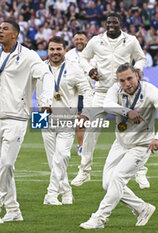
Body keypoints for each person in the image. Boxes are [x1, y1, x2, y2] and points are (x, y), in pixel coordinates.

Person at [0, 20, 54, 224]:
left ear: (15, 35)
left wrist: (45, 101)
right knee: (0, 167)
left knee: (7, 163)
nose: (0, 31)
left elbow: (45, 75)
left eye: (5, 29)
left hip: (17, 118)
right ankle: (13, 209)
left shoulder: (28, 56)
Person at [80, 63, 158, 229]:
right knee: (107, 184)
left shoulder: (150, 91)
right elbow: (107, 104)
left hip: (141, 145)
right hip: (121, 143)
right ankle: (142, 208)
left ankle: (99, 218)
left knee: (117, 179)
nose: (127, 84)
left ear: (137, 75)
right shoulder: (115, 89)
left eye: (130, 78)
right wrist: (127, 112)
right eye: (122, 81)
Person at [71, 13, 149, 189]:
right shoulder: (96, 40)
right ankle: (84, 171)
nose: (111, 25)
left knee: (133, 131)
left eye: (114, 22)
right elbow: (82, 57)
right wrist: (90, 69)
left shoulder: (130, 40)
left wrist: (137, 69)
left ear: (120, 23)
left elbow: (141, 57)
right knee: (92, 130)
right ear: (105, 24)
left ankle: (140, 170)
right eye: (109, 23)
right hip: (102, 91)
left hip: (124, 91)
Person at [39, 36, 92, 205]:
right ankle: (67, 192)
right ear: (48, 50)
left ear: (64, 50)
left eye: (58, 49)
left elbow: (88, 91)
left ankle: (52, 193)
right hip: (42, 117)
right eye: (52, 49)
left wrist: (86, 113)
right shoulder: (39, 68)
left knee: (62, 155)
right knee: (52, 160)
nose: (55, 53)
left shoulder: (74, 68)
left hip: (67, 117)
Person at [65, 31, 93, 156]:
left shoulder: (93, 54)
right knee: (80, 118)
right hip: (76, 92)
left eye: (82, 39)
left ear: (86, 41)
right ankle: (81, 145)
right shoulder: (68, 55)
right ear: (73, 41)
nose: (79, 41)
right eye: (77, 39)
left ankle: (86, 144)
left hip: (92, 91)